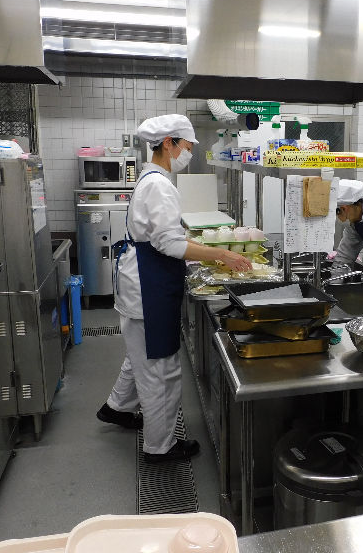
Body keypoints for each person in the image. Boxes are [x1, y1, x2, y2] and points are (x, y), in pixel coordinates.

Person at [97, 114, 251, 463]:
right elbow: (168, 243)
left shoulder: (150, 178)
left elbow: (164, 236)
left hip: (141, 283)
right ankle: (160, 447)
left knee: (141, 355)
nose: (189, 153)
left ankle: (117, 407)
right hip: (149, 289)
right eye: (187, 146)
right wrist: (221, 254)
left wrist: (201, 248)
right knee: (161, 370)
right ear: (169, 143)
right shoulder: (160, 185)